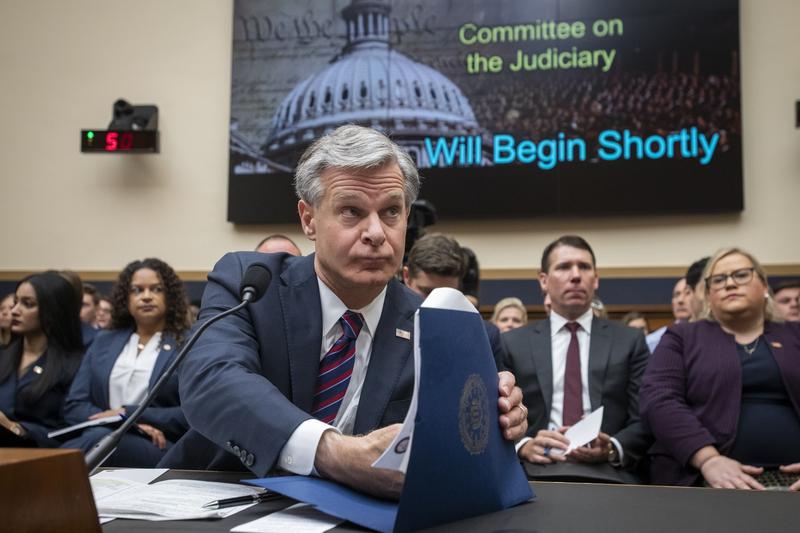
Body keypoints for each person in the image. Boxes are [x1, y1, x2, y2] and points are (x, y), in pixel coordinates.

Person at [161, 125, 528, 499]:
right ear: (309, 220)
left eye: (390, 212)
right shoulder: (251, 286)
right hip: (224, 498)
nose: (376, 232)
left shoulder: (447, 329)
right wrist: (332, 452)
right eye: (352, 211)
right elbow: (211, 380)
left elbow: (473, 457)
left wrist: (499, 425)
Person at [640, 248, 800, 490]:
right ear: (708, 294)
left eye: (741, 275)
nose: (730, 284)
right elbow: (659, 399)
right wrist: (708, 459)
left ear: (765, 286)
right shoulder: (682, 337)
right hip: (704, 480)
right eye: (718, 280)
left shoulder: (795, 334)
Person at [502, 235, 651, 480]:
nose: (575, 275)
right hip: (533, 470)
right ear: (543, 281)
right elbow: (498, 414)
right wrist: (524, 445)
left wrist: (612, 446)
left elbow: (645, 418)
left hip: (609, 473)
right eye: (563, 267)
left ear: (596, 279)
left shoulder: (630, 341)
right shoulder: (513, 343)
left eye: (584, 267)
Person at [61, 258, 191, 466]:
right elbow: (74, 405)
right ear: (126, 298)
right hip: (102, 435)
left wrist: (130, 415)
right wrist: (125, 424)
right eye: (137, 290)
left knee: (96, 443)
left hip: (159, 443)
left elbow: (191, 414)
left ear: (170, 296)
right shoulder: (104, 340)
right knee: (100, 439)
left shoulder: (189, 342)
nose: (146, 297)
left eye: (156, 289)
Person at [0, 272, 84, 447]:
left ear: (52, 310)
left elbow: (72, 431)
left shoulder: (74, 364)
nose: (14, 311)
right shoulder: (4, 355)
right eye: (15, 302)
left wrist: (15, 428)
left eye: (27, 304)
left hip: (40, 458)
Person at [401, 233, 503, 368]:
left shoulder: (485, 337)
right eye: (426, 292)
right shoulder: (380, 326)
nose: (435, 303)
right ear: (407, 277)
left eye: (446, 293)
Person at [646, 277, 692, 352]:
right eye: (677, 295)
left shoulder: (710, 336)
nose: (680, 300)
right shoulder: (652, 341)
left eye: (687, 293)